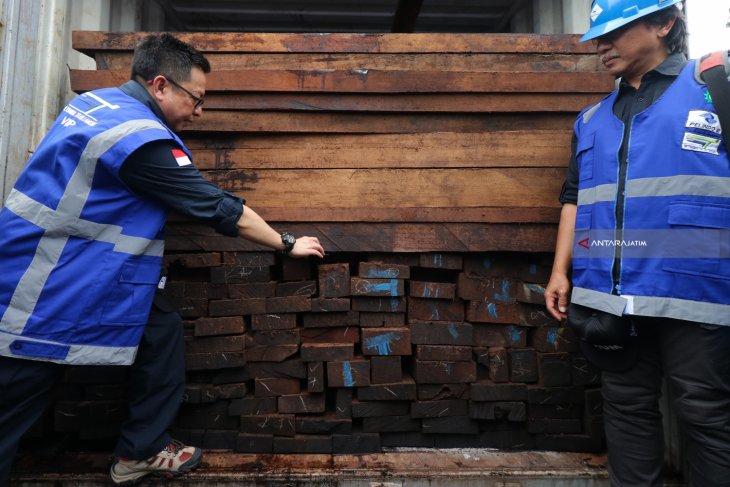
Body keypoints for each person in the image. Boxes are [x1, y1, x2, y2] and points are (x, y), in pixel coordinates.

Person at [0, 33, 325, 486]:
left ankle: (141, 449)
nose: (199, 111)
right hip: (49, 281)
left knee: (160, 332)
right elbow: (213, 205)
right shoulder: (142, 140)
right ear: (160, 86)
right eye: (196, 99)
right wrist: (287, 242)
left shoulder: (101, 102)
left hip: (74, 264)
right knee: (17, 397)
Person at [544, 1, 730, 485]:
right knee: (626, 410)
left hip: (696, 290)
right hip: (608, 293)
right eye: (598, 36)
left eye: (617, 32)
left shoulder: (717, 86)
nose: (602, 45)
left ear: (665, 24)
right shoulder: (590, 121)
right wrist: (560, 271)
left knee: (706, 413)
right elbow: (574, 199)